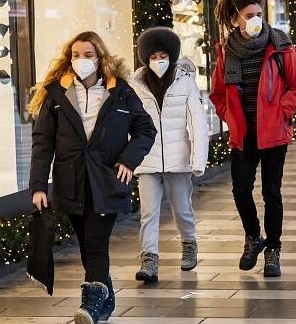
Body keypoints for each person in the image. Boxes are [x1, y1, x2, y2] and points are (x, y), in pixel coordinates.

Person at [28, 31, 156, 324]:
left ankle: (90, 307)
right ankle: (105, 300)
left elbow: (145, 130)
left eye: (88, 55)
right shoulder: (55, 93)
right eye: (75, 55)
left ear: (100, 58)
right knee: (87, 245)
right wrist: (38, 185)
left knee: (97, 243)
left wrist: (128, 159)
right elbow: (42, 142)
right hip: (70, 182)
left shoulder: (121, 90)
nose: (81, 60)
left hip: (107, 181)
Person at [210, 0, 296, 277]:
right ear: (236, 19)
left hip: (274, 132)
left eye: (258, 14)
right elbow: (218, 94)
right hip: (244, 134)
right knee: (240, 189)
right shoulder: (227, 51)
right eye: (249, 15)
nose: (255, 20)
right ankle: (253, 237)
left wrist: (282, 110)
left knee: (271, 192)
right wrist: (229, 116)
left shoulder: (280, 45)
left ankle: (273, 249)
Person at [130, 27, 209, 283]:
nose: (158, 61)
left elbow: (197, 120)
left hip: (179, 158)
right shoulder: (136, 84)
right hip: (146, 159)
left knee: (182, 209)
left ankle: (189, 242)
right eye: (153, 56)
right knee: (148, 212)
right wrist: (126, 158)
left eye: (163, 55)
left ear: (172, 56)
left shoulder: (185, 81)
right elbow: (127, 123)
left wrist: (198, 160)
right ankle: (149, 258)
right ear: (145, 58)